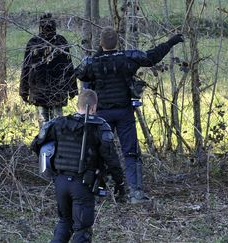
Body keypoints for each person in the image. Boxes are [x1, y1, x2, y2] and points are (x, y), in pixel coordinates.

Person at [76, 27, 184, 204]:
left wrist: (97, 55)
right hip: (124, 111)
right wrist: (170, 42)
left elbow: (80, 74)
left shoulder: (92, 62)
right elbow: (152, 57)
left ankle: (96, 192)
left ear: (101, 43)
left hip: (101, 114)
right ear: (117, 42)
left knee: (97, 151)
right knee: (131, 152)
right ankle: (136, 193)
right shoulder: (127, 57)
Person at [31, 89, 125, 242]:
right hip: (83, 184)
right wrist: (119, 183)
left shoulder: (58, 123)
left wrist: (53, 167)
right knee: (82, 230)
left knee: (64, 223)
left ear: (77, 105)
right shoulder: (100, 127)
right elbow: (112, 159)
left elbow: (36, 144)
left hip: (60, 183)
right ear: (94, 107)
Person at [20, 13, 78, 127]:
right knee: (58, 122)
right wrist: (72, 89)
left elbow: (25, 69)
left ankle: (46, 143)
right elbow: (69, 67)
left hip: (42, 90)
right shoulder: (60, 41)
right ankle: (56, 143)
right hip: (53, 90)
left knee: (45, 123)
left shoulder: (35, 42)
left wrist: (24, 91)